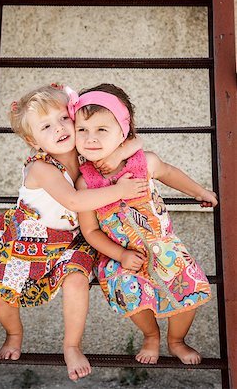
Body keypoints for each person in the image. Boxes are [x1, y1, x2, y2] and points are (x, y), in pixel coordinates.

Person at [0, 84, 148, 382]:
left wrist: (130, 147)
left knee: (77, 281)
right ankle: (14, 333)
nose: (58, 128)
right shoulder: (40, 168)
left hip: (73, 240)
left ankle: (71, 345)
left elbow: (132, 142)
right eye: (46, 126)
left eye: (63, 119)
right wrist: (119, 190)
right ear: (33, 139)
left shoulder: (86, 154)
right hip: (29, 239)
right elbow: (73, 201)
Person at [72, 83, 218, 366]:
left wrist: (200, 192)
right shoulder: (85, 182)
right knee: (129, 291)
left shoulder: (143, 163)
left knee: (187, 290)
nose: (91, 138)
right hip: (121, 254)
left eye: (102, 129)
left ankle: (177, 341)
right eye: (82, 130)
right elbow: (90, 231)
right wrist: (120, 255)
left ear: (123, 132)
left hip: (163, 246)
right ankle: (151, 335)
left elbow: (170, 173)